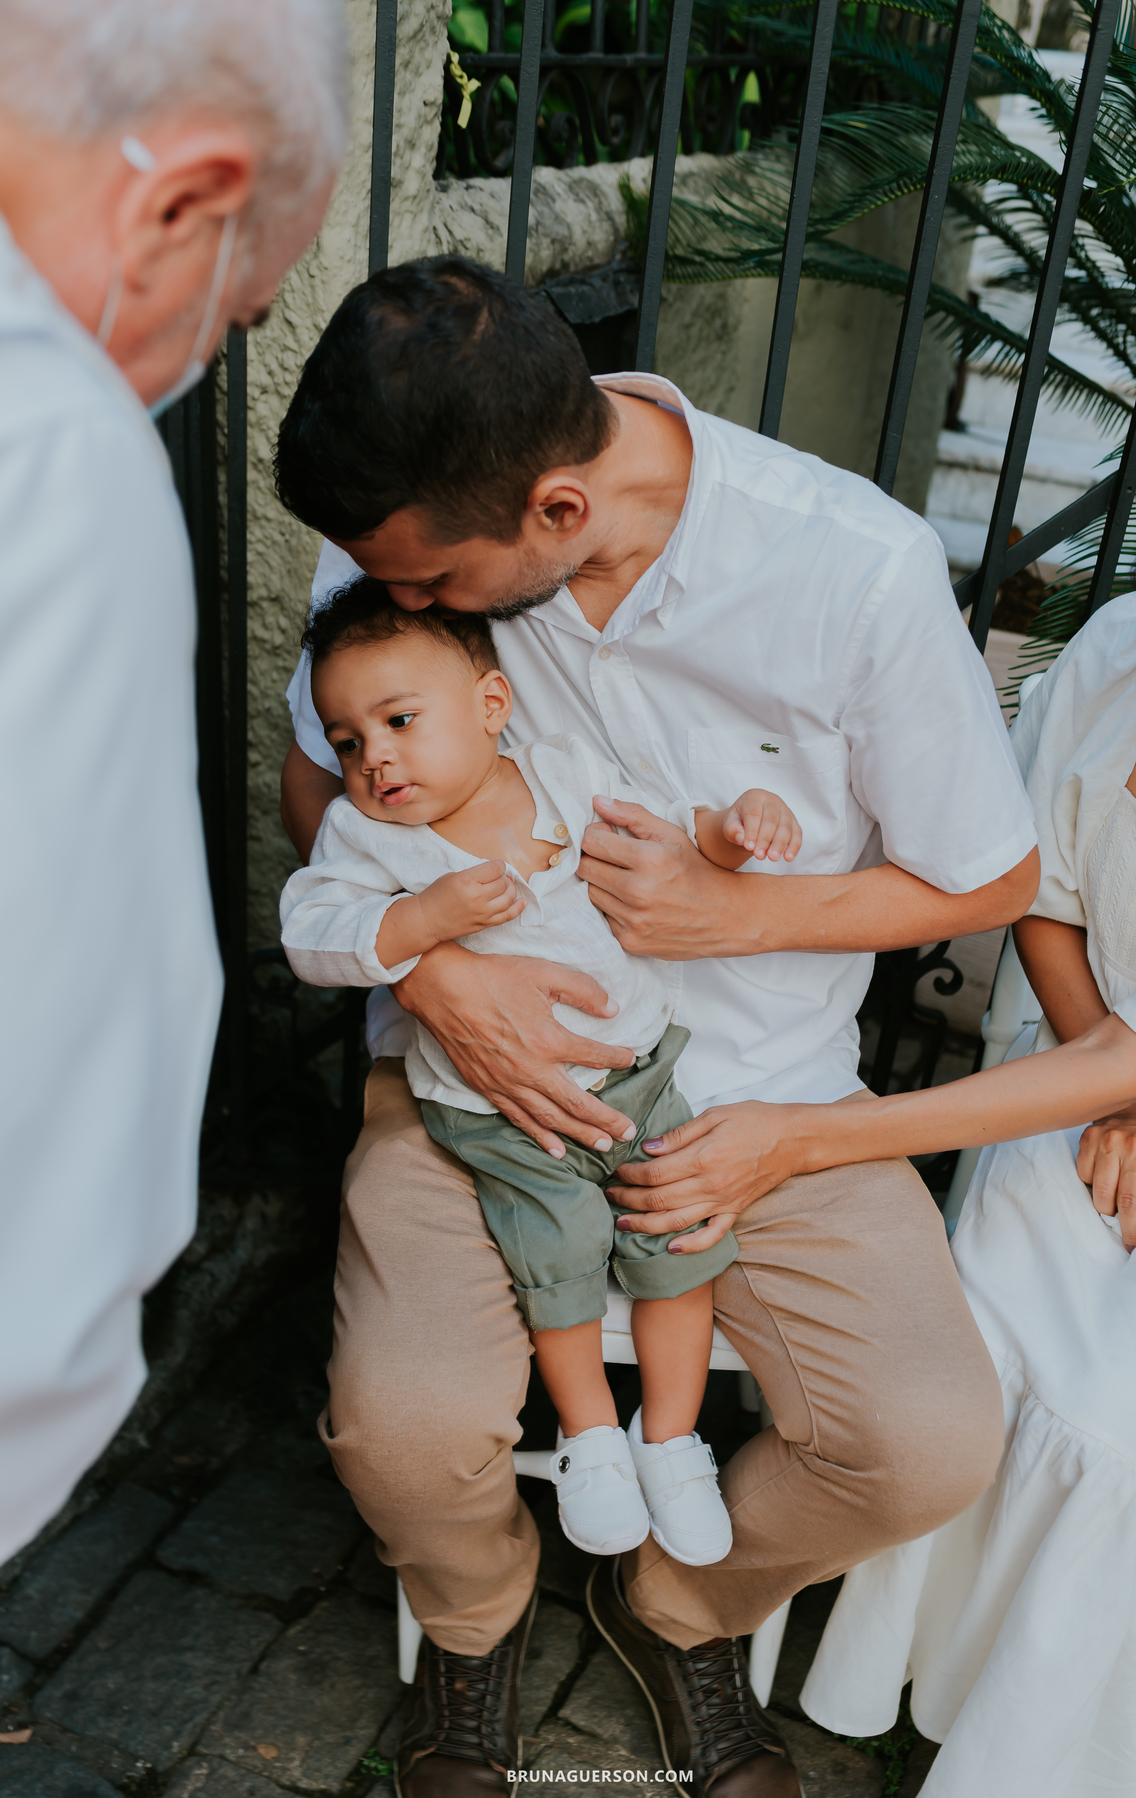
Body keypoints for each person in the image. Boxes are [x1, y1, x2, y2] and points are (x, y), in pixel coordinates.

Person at [275, 255, 1043, 1798]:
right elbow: (318, 786)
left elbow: (992, 870)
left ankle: (678, 1604)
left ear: (557, 511)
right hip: (474, 1085)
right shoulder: (411, 518)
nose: (403, 608)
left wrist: (739, 912)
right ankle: (479, 1618)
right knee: (402, 1429)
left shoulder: (856, 570)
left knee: (924, 1440)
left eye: (431, 589)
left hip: (758, 1099)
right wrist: (430, 982)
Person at [0, 0, 347, 1564]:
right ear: (185, 202)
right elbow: (52, 1108)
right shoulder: (52, 454)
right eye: (240, 314)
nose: (206, 352)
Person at [786, 490, 1136, 1797]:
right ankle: (930, 1678)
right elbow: (1042, 898)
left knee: (1121, 1415)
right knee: (987, 1322)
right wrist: (1119, 1101)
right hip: (1091, 1085)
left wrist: (801, 1140)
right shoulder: (1111, 650)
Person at [281, 578, 807, 1567]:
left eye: (398, 720)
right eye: (347, 741)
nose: (374, 756)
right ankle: (592, 1436)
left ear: (490, 706)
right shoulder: (370, 838)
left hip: (639, 1074)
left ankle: (672, 1439)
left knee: (675, 1235)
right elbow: (311, 933)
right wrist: (422, 921)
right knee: (558, 1253)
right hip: (497, 1111)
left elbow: (671, 830)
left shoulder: (563, 772)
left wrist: (733, 829)